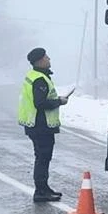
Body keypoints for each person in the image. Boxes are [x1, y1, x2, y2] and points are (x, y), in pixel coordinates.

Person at [18, 47, 68, 202]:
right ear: (40, 61)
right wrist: (59, 101)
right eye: (46, 57)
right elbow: (40, 103)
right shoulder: (40, 79)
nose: (49, 59)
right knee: (43, 157)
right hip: (41, 125)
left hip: (36, 124)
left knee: (42, 157)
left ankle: (44, 188)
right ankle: (41, 191)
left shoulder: (35, 76)